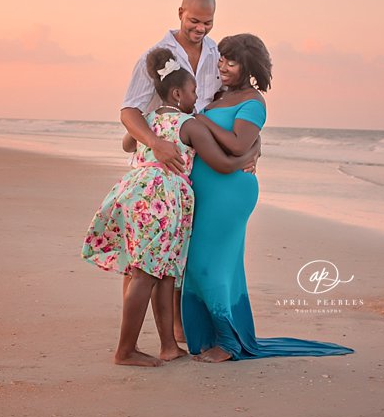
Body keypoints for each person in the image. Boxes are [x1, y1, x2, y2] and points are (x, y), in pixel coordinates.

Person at [181, 33, 355, 362]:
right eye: (221, 60)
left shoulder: (254, 101)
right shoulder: (218, 95)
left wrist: (202, 121)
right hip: (205, 192)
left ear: (248, 68)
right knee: (202, 266)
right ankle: (210, 337)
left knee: (211, 266)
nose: (223, 67)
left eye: (231, 63)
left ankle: (229, 344)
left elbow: (237, 144)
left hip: (230, 194)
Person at [83, 48, 258, 367]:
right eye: (193, 91)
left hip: (136, 194)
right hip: (162, 201)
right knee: (146, 273)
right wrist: (250, 155)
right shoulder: (189, 125)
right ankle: (125, 350)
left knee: (165, 274)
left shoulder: (147, 121)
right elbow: (220, 162)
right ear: (178, 94)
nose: (197, 98)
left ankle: (168, 346)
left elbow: (127, 143)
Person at [120, 0, 259, 343]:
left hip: (196, 163)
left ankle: (178, 331)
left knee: (182, 247)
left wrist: (252, 144)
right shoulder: (155, 56)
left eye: (207, 22)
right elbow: (129, 111)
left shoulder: (217, 54)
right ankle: (135, 338)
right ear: (180, 12)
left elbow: (228, 108)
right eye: (194, 20)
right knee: (146, 256)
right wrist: (155, 143)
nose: (200, 28)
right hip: (162, 163)